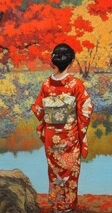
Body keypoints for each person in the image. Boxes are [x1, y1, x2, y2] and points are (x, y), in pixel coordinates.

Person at [32, 43, 94, 213]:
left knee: (54, 171)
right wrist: (76, 122)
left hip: (52, 136)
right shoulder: (76, 84)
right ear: (71, 61)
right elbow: (86, 108)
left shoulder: (46, 84)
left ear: (54, 61)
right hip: (70, 135)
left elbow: (38, 109)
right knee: (70, 171)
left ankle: (57, 204)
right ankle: (67, 205)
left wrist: (50, 117)